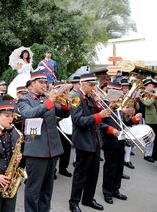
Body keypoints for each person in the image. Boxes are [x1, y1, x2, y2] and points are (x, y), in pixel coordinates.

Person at [18, 70, 70, 212]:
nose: (44, 85)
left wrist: (65, 102)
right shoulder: (25, 99)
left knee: (47, 188)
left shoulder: (47, 97)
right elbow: (28, 114)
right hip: (36, 150)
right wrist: (49, 102)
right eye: (41, 82)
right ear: (32, 83)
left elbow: (64, 113)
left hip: (52, 149)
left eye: (45, 82)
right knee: (33, 189)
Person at [69, 73, 111, 212]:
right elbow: (78, 120)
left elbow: (99, 117)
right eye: (91, 85)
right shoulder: (76, 98)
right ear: (83, 84)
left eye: (95, 85)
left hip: (94, 141)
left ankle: (88, 199)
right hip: (83, 141)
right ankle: (74, 202)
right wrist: (99, 115)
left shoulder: (90, 97)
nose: (94, 88)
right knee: (81, 175)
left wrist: (100, 106)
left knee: (93, 174)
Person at [100, 82, 142, 205]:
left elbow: (123, 122)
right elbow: (99, 124)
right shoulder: (103, 105)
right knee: (110, 168)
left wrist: (134, 119)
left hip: (120, 141)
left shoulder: (118, 107)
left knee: (119, 167)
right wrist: (111, 130)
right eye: (117, 94)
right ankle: (107, 192)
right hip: (109, 141)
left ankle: (115, 190)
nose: (120, 96)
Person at [139, 78, 157, 163]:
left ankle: (152, 153)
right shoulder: (142, 94)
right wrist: (154, 97)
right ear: (145, 86)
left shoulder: (152, 93)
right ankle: (147, 154)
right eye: (150, 86)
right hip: (148, 118)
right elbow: (147, 103)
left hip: (155, 118)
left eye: (152, 85)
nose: (152, 87)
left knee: (155, 138)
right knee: (149, 137)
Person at [68, 76, 81, 168]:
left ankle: (78, 158)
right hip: (71, 118)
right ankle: (75, 159)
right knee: (73, 140)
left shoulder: (80, 93)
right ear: (73, 84)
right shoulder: (70, 94)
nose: (79, 85)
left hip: (79, 116)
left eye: (80, 83)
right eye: (77, 84)